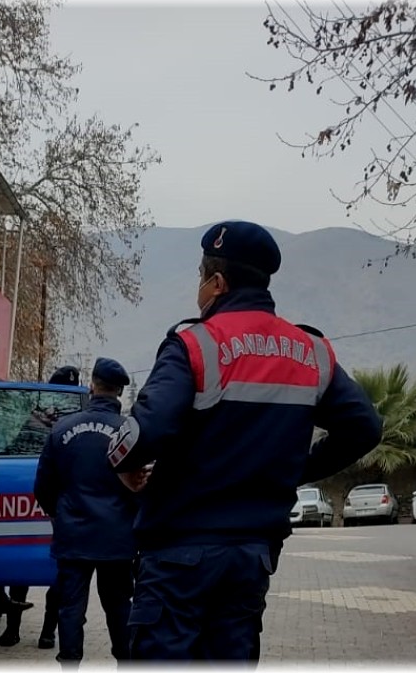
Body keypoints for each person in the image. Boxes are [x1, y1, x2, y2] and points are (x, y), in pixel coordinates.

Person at [106, 220, 383, 662]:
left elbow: (144, 433)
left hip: (180, 551)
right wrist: (297, 469)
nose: (198, 290)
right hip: (251, 557)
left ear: (216, 283)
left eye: (200, 278)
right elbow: (365, 428)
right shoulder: (311, 352)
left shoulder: (195, 344)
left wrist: (121, 461)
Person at [34, 358, 138, 667]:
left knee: (71, 608)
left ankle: (70, 664)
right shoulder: (129, 431)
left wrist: (59, 515)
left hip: (74, 536)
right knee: (120, 607)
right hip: (117, 538)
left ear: (92, 386)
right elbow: (141, 487)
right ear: (119, 391)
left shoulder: (62, 429)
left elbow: (43, 486)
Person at [0, 365, 81, 648]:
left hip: (53, 506)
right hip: (46, 505)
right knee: (30, 568)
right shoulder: (44, 421)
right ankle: (22, 630)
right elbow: (14, 451)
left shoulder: (65, 422)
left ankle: (41, 631)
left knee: (51, 570)